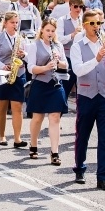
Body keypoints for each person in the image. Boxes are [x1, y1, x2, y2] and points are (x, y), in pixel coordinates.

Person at [70, 9, 105, 190]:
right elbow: (78, 71)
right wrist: (97, 58)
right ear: (85, 25)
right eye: (93, 24)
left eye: (99, 23)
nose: (97, 27)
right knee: (83, 135)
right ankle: (80, 168)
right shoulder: (77, 45)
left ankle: (103, 176)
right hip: (87, 95)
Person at [26, 19, 69, 165]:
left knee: (55, 117)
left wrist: (57, 62)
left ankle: (55, 151)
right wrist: (45, 67)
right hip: (40, 83)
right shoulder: (34, 46)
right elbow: (30, 68)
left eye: (52, 31)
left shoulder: (58, 45)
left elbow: (65, 65)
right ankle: (33, 145)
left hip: (55, 84)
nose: (50, 33)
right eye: (47, 30)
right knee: (37, 117)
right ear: (42, 30)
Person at [0, 11, 28, 147]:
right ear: (5, 23)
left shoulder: (22, 38)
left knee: (18, 107)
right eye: (12, 22)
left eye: (17, 23)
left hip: (18, 74)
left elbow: (30, 57)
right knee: (2, 107)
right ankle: (2, 135)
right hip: (2, 75)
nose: (15, 25)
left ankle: (17, 138)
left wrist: (24, 55)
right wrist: (2, 66)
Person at [56, 0, 86, 113]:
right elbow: (59, 39)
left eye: (81, 7)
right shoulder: (62, 20)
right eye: (75, 6)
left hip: (80, 58)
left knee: (81, 89)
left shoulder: (82, 20)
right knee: (65, 88)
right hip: (67, 57)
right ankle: (58, 115)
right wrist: (73, 34)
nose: (78, 9)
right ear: (70, 6)